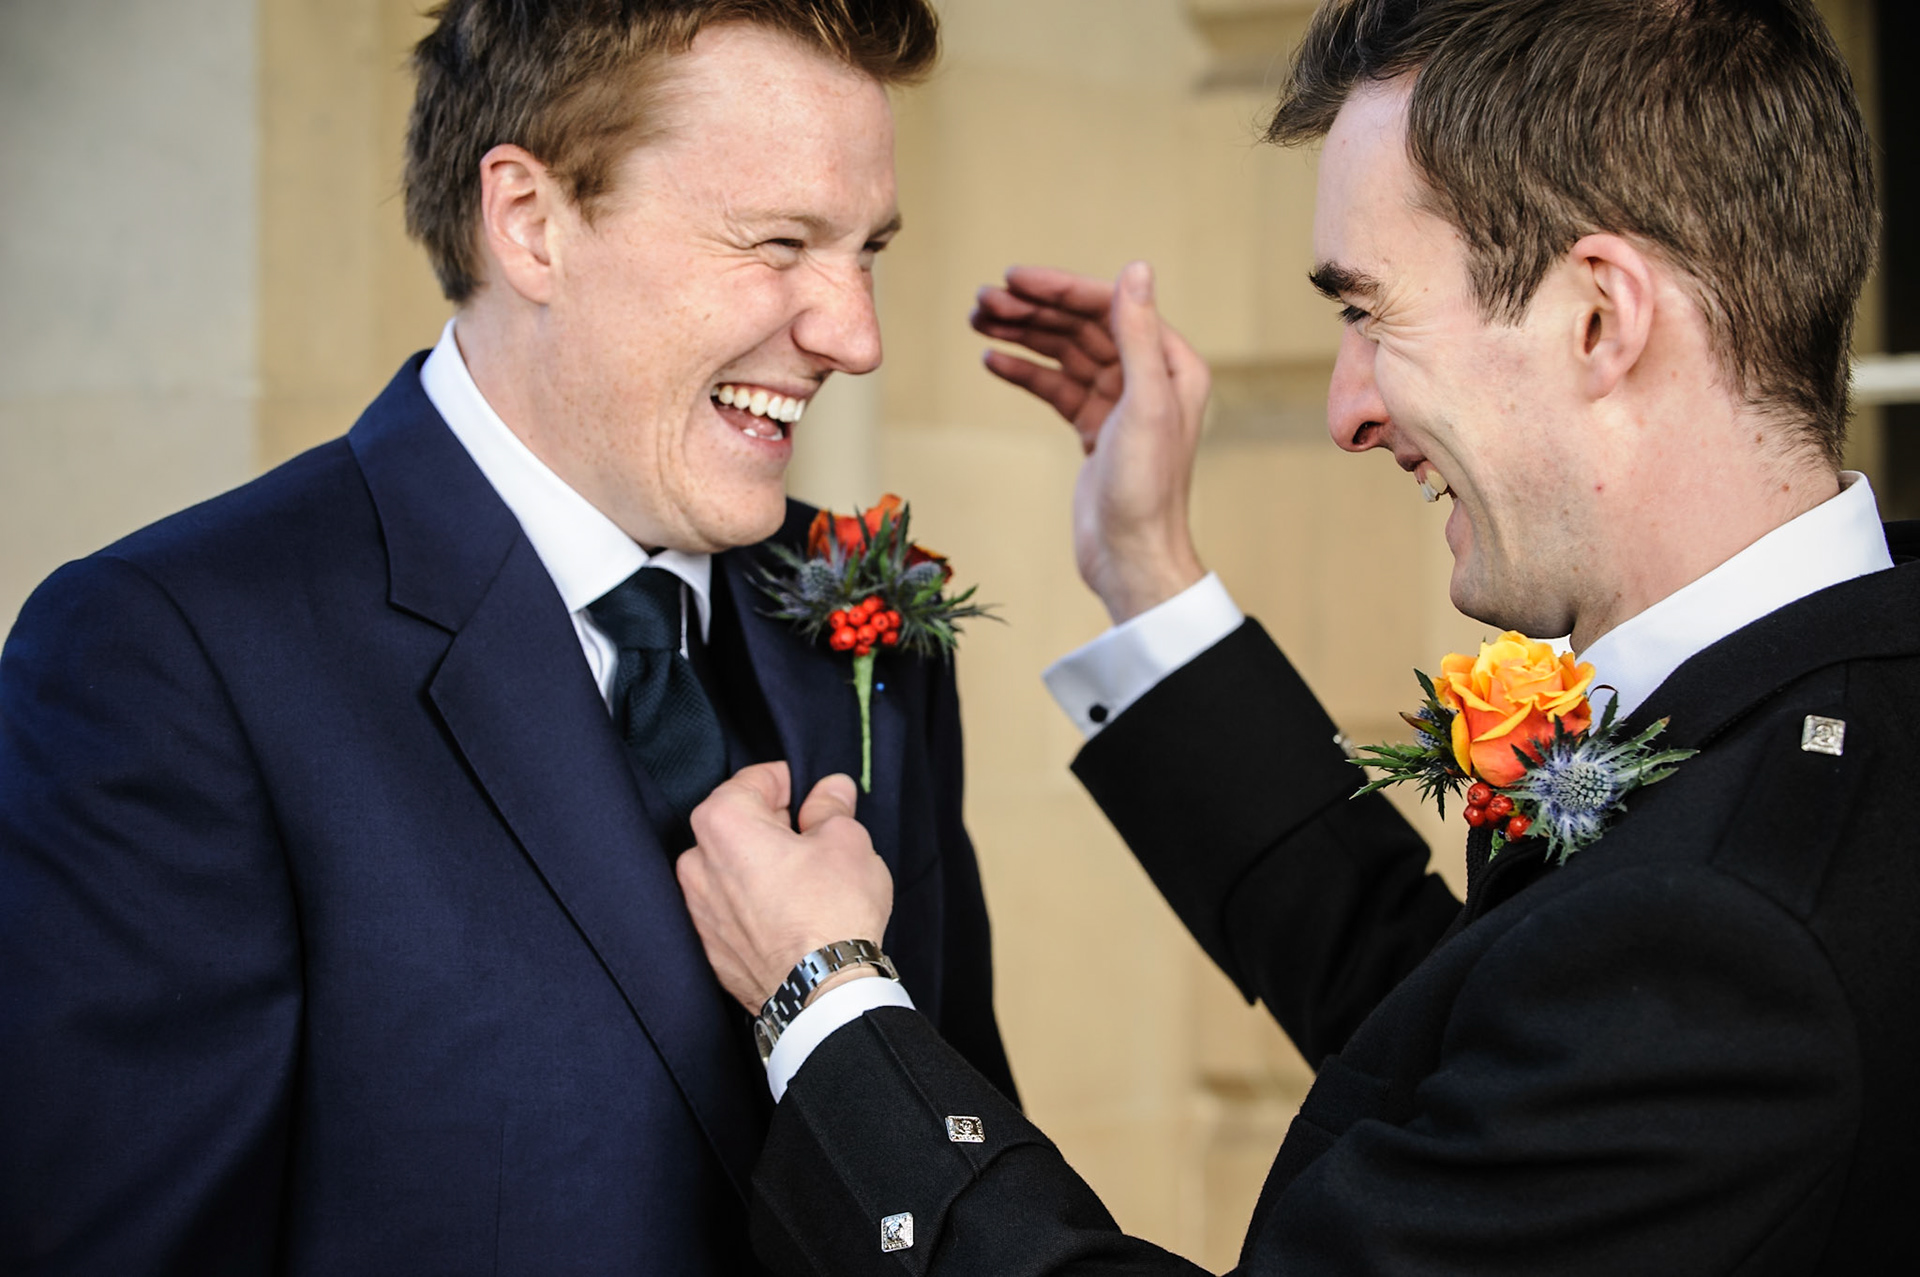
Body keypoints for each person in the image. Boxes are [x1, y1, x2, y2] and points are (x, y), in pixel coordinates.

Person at [672, 0, 1919, 1271]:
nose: (1346, 409)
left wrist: (822, 998)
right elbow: (1477, 1021)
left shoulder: (1744, 932)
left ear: (1599, 316)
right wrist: (1147, 570)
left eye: (1371, 314)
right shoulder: (1844, 717)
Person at [0, 2, 1014, 1272]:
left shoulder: (865, 619)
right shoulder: (172, 657)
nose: (853, 333)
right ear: (530, 221)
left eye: (867, 249)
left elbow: (958, 1166)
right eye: (780, 242)